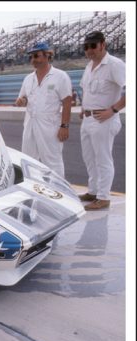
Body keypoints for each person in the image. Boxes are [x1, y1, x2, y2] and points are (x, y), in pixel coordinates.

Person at [78, 31, 125, 211]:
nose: (89, 50)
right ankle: (94, 191)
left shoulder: (114, 64)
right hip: (88, 118)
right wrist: (84, 107)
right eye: (86, 47)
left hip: (104, 119)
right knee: (89, 158)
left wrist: (112, 110)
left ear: (103, 44)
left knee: (103, 158)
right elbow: (87, 90)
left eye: (93, 45)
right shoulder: (89, 66)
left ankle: (104, 197)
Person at [14, 42, 72, 178]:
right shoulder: (28, 79)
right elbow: (23, 98)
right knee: (28, 160)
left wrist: (65, 126)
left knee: (52, 162)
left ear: (47, 56)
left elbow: (67, 102)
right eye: (31, 57)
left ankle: (59, 194)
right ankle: (34, 192)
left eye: (36, 56)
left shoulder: (60, 76)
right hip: (30, 125)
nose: (33, 60)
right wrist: (21, 101)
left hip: (50, 125)